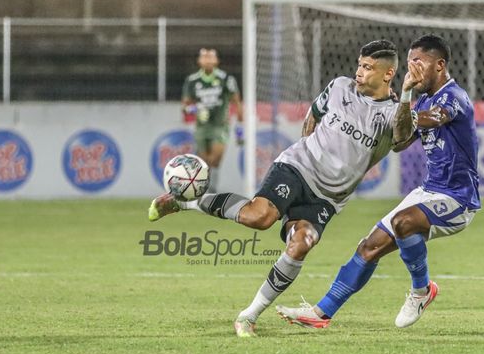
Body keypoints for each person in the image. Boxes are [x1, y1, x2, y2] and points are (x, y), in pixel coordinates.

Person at [148, 39, 420, 337]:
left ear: (387, 73)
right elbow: (313, 115)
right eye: (359, 64)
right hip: (297, 167)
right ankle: (184, 203)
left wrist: (406, 95)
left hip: (327, 198)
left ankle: (248, 316)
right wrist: (306, 148)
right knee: (259, 217)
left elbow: (402, 140)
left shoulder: (397, 112)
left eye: (367, 68)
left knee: (301, 243)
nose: (359, 72)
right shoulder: (340, 86)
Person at [276, 34, 481, 329]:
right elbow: (400, 139)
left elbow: (427, 120)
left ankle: (421, 291)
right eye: (409, 63)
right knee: (369, 246)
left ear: (439, 65)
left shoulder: (454, 97)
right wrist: (405, 101)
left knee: (403, 223)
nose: (411, 70)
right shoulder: (420, 98)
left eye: (418, 62)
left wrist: (404, 105)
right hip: (429, 191)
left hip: (459, 198)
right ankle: (321, 314)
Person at [182, 48, 244, 192]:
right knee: (204, 161)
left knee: (215, 158)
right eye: (204, 57)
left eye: (211, 57)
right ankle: (203, 190)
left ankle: (211, 190)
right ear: (199, 61)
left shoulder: (226, 79)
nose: (208, 60)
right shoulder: (192, 81)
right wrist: (196, 109)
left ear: (217, 61)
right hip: (202, 127)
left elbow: (237, 102)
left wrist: (240, 130)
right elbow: (185, 107)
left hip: (220, 125)